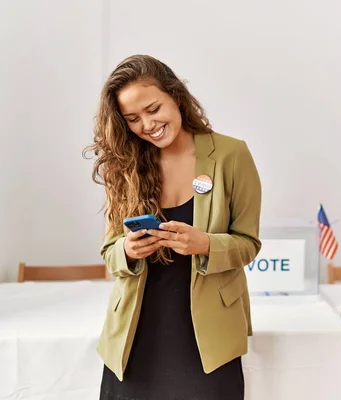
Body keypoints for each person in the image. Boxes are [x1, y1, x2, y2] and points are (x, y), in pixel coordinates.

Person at [84, 54, 262, 400]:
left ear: (176, 96)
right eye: (133, 119)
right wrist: (128, 250)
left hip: (208, 336)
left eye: (153, 109)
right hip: (135, 333)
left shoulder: (231, 155)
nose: (147, 125)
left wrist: (206, 244)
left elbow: (248, 243)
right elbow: (109, 251)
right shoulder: (125, 163)